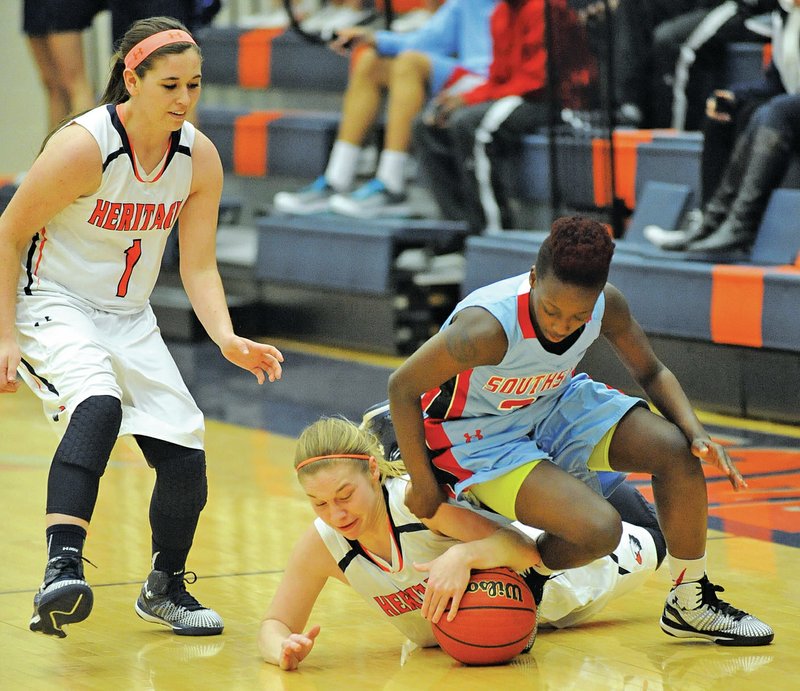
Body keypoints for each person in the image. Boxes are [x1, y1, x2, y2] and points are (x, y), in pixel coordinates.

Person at [0, 16, 284, 638]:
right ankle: (61, 568)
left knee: (186, 454)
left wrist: (226, 337)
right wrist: (4, 333)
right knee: (96, 406)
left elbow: (201, 265)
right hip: (55, 302)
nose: (184, 99)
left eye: (195, 85)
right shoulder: (84, 146)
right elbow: (9, 231)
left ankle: (165, 587)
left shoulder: (197, 156)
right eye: (170, 85)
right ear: (132, 79)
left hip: (130, 316)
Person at [387, 215, 774, 646]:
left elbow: (652, 370)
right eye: (551, 310)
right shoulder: (486, 330)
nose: (561, 325)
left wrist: (696, 432)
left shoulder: (609, 305)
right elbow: (402, 386)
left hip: (554, 401)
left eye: (579, 316)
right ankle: (528, 574)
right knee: (600, 530)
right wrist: (423, 483)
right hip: (478, 433)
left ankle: (689, 602)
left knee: (675, 449)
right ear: (534, 279)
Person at [258, 411, 666, 670]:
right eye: (319, 503)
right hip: (519, 624)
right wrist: (282, 648)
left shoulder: (419, 505)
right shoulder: (324, 543)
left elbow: (526, 551)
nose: (336, 514)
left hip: (578, 571)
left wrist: (465, 556)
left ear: (371, 471)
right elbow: (275, 623)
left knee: (655, 538)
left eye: (344, 496)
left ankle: (590, 477)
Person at [272, 0, 497, 220]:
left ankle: (392, 184)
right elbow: (424, 40)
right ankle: (336, 180)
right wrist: (373, 38)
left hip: (495, 82)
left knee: (409, 64)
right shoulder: (467, 3)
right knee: (370, 60)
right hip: (469, 76)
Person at [411, 0, 596, 234]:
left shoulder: (545, 8)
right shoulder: (499, 13)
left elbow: (538, 81)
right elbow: (499, 78)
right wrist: (464, 98)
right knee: (427, 125)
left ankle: (492, 231)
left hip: (554, 101)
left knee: (469, 125)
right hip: (519, 95)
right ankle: (459, 229)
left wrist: (469, 101)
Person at [644, 0, 800, 254]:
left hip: (789, 110)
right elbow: (776, 82)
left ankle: (740, 226)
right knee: (724, 111)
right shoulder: (785, 16)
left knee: (774, 111)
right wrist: (733, 96)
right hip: (792, 108)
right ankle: (708, 221)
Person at [22, 0, 107, 130]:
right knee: (52, 85)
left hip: (60, 5)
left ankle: (89, 143)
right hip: (35, 4)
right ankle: (54, 146)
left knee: (74, 82)